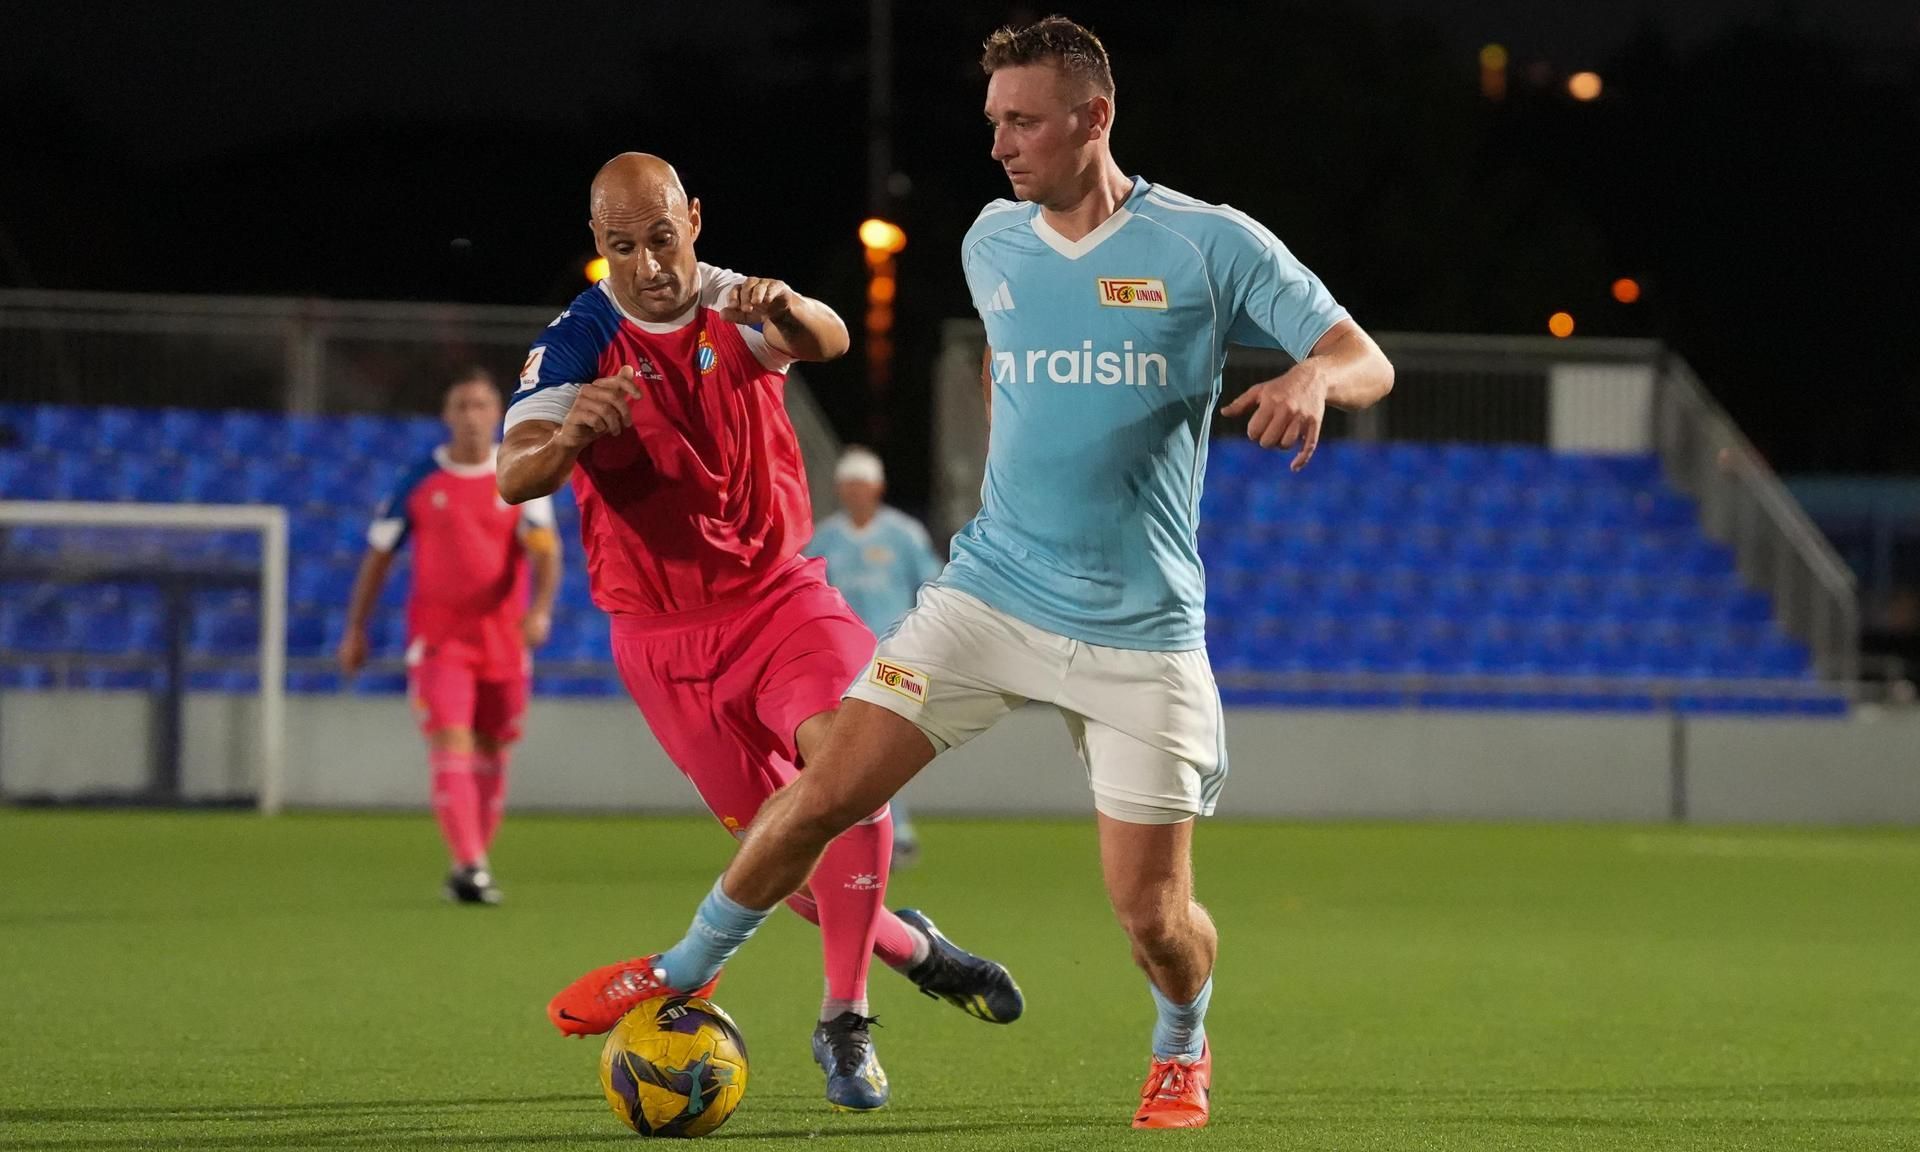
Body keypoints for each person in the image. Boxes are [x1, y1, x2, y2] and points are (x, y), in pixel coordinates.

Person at [550, 18, 1396, 1129]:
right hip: (988, 596)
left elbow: (1364, 356)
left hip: (1140, 628)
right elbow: (1017, 375)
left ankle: (1182, 1040)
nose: (1000, 143)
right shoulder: (991, 240)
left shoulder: (1208, 244)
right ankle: (682, 967)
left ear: (1095, 118)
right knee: (826, 791)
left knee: (1153, 919)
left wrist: (1313, 383)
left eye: (1025, 120)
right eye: (994, 119)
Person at [499, 153, 1023, 1113]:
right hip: (661, 639)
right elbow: (513, 476)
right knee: (779, 857)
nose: (648, 263)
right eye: (622, 247)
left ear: (692, 219)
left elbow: (821, 338)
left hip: (781, 598)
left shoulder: (738, 303)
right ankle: (914, 947)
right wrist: (576, 431)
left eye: (662, 237)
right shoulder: (577, 342)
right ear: (599, 246)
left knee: (848, 765)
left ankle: (844, 1017)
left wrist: (780, 309)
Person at [338, 369, 560, 905]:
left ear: (496, 414)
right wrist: (356, 629)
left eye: (481, 405)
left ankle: (472, 863)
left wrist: (540, 611)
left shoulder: (519, 474)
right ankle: (470, 863)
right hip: (440, 642)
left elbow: (546, 550)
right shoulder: (419, 478)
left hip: (504, 640)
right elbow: (379, 556)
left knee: (492, 750)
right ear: (447, 416)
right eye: (461, 405)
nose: (471, 415)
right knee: (451, 741)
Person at [803, 446, 945, 866]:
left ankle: (892, 828)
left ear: (877, 488)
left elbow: (933, 585)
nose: (855, 494)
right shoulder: (825, 538)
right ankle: (865, 829)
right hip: (840, 658)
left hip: (894, 656)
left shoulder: (903, 534)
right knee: (843, 744)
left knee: (885, 742)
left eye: (862, 486)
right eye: (848, 486)